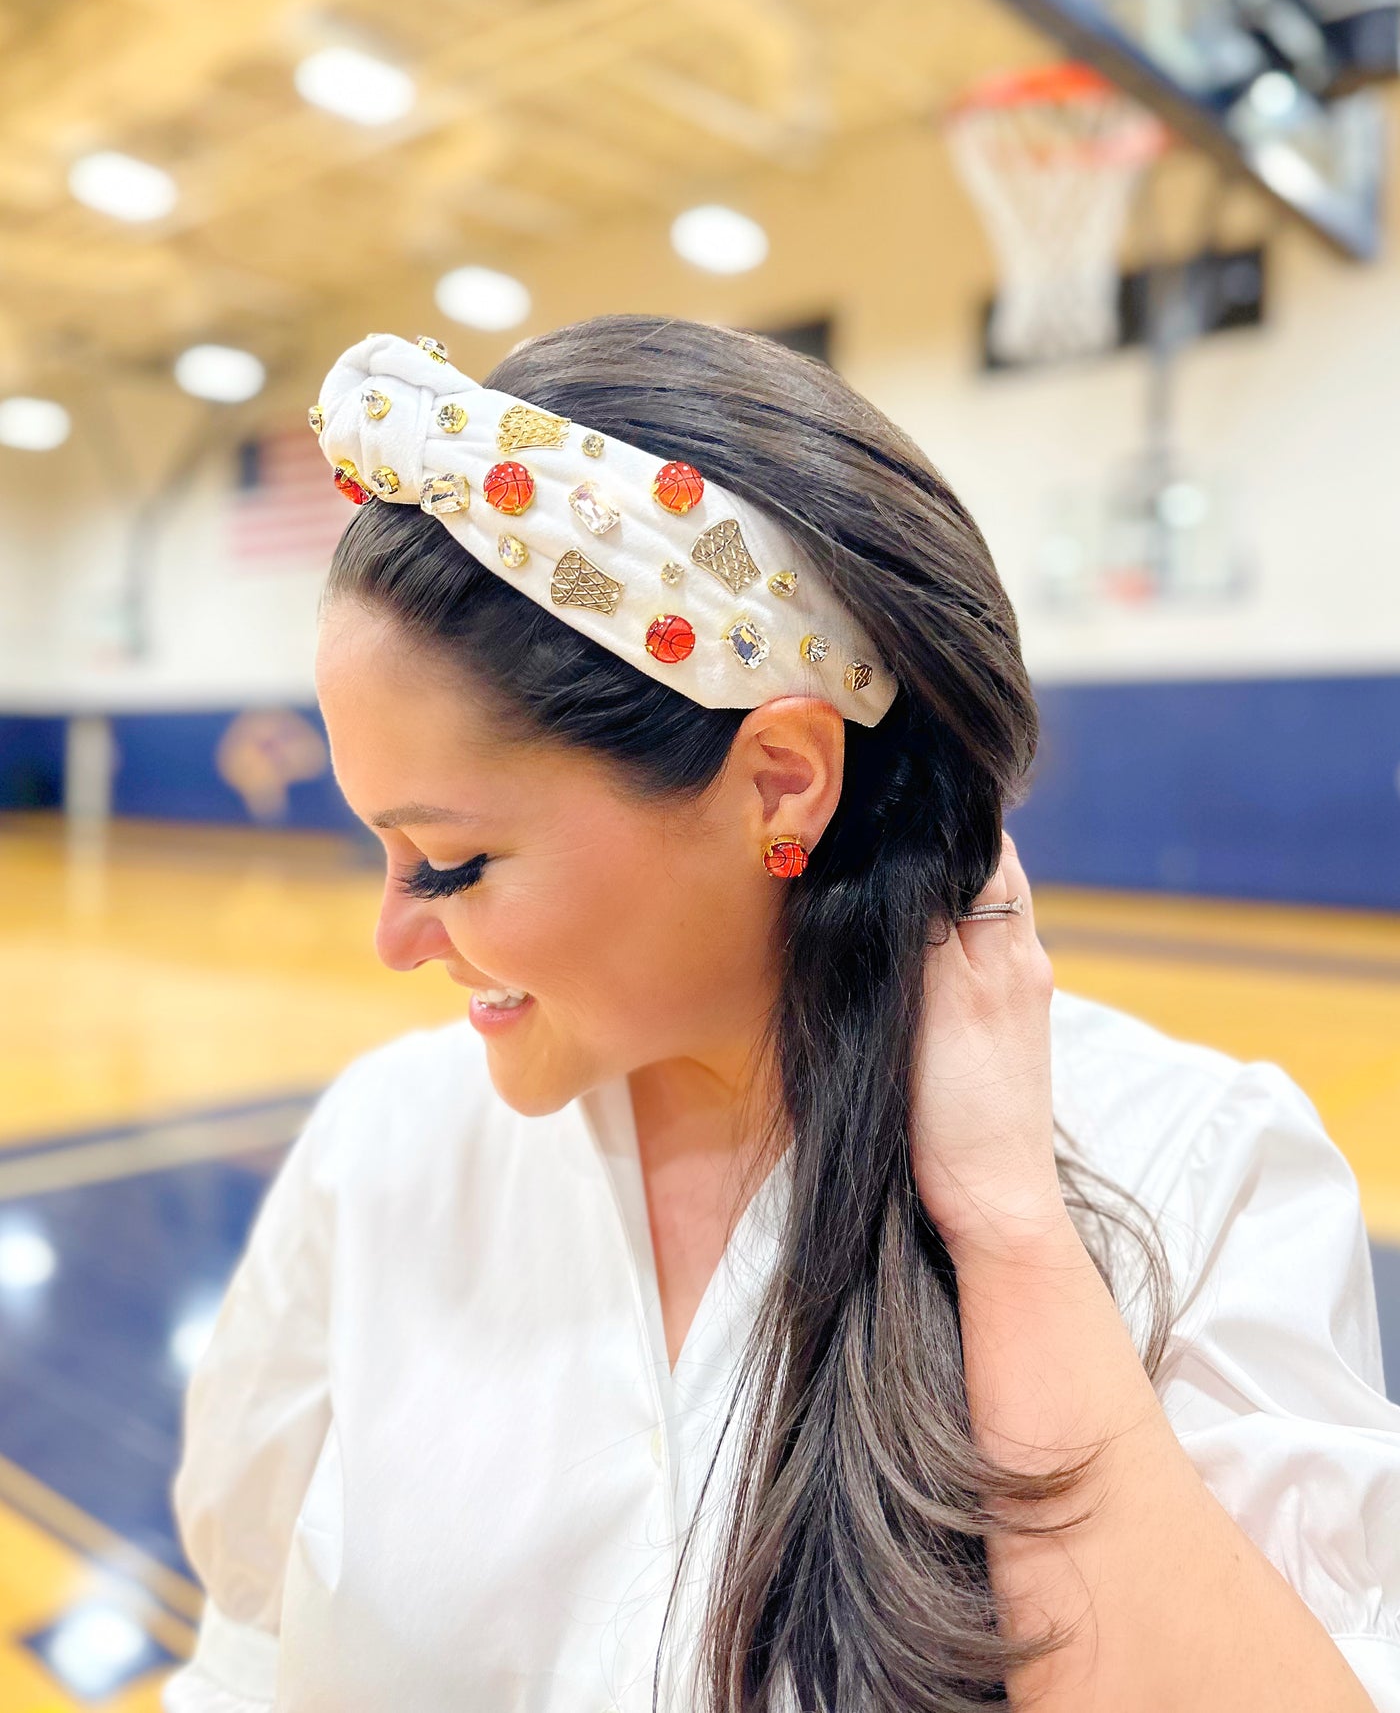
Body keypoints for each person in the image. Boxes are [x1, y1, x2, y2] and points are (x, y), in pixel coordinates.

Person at [162, 319, 1400, 1713]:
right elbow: (250, 1662)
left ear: (780, 782)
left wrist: (1006, 1236)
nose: (396, 936)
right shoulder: (380, 1149)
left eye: (451, 862)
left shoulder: (1187, 1171)